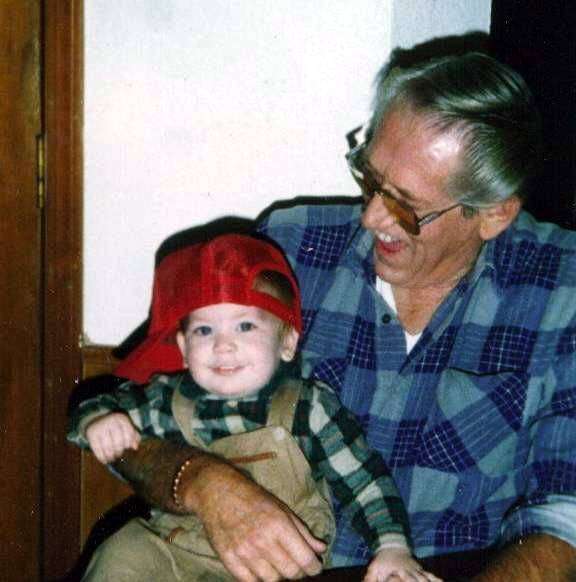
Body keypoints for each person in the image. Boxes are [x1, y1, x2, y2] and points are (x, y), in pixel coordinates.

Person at [86, 51, 576, 581]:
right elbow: (133, 421)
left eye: (405, 206)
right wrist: (200, 482)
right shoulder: (290, 249)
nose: (371, 217)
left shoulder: (560, 290)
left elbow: (563, 521)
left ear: (493, 214)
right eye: (370, 179)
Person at [68, 234, 440, 581]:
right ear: (182, 348)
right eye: (204, 331)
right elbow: (96, 408)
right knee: (120, 552)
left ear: (287, 343)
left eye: (245, 326)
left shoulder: (308, 407)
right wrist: (97, 420)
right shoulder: (166, 399)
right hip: (177, 549)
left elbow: (364, 481)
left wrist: (392, 547)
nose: (223, 345)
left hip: (276, 562)